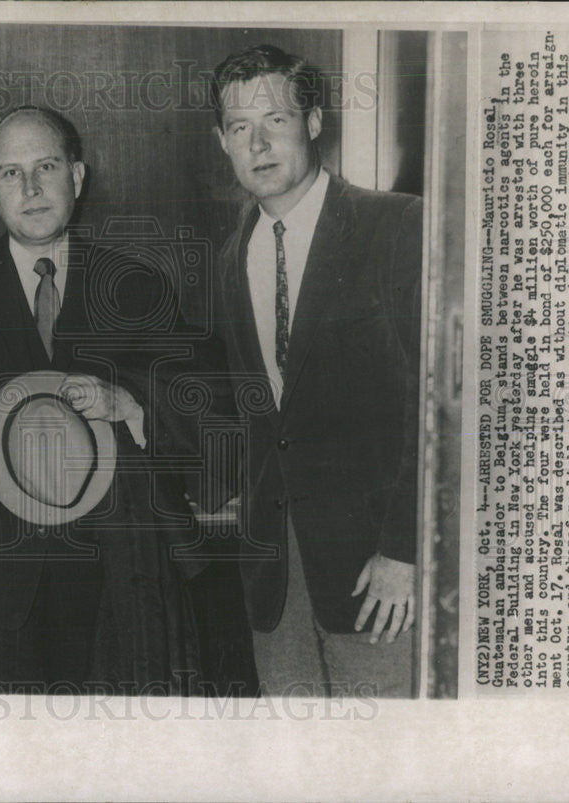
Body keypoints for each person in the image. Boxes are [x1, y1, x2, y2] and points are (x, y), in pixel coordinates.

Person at [0, 106, 210, 693]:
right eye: (12, 173)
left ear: (77, 176)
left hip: (117, 579)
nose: (33, 187)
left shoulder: (137, 285)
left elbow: (195, 415)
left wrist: (130, 403)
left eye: (46, 166)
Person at [209, 45, 422, 696]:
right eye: (241, 127)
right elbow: (258, 417)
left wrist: (407, 549)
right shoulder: (230, 255)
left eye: (276, 119)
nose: (260, 142)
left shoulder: (398, 227)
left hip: (378, 575)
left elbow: (444, 401)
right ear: (222, 142)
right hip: (276, 577)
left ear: (315, 121)